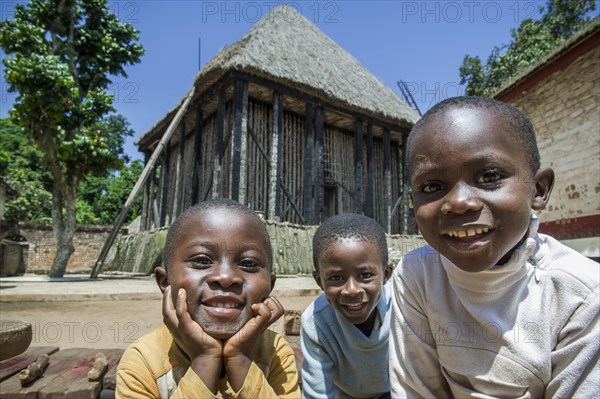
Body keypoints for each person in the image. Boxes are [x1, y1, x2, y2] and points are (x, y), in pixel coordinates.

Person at [390, 96, 599, 398]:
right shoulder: (417, 276)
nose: (459, 203)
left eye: (489, 177)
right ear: (413, 203)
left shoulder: (581, 295)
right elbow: (414, 391)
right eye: (432, 187)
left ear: (538, 190)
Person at [116, 198, 301, 398]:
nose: (226, 278)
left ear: (270, 286)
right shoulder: (143, 363)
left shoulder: (275, 354)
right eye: (202, 260)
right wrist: (205, 359)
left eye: (247, 263)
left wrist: (240, 358)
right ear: (165, 282)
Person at [300, 213, 393, 398]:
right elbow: (317, 393)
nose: (351, 290)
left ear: (386, 274)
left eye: (365, 275)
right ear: (319, 282)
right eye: (336, 278)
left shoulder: (404, 306)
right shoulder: (316, 322)